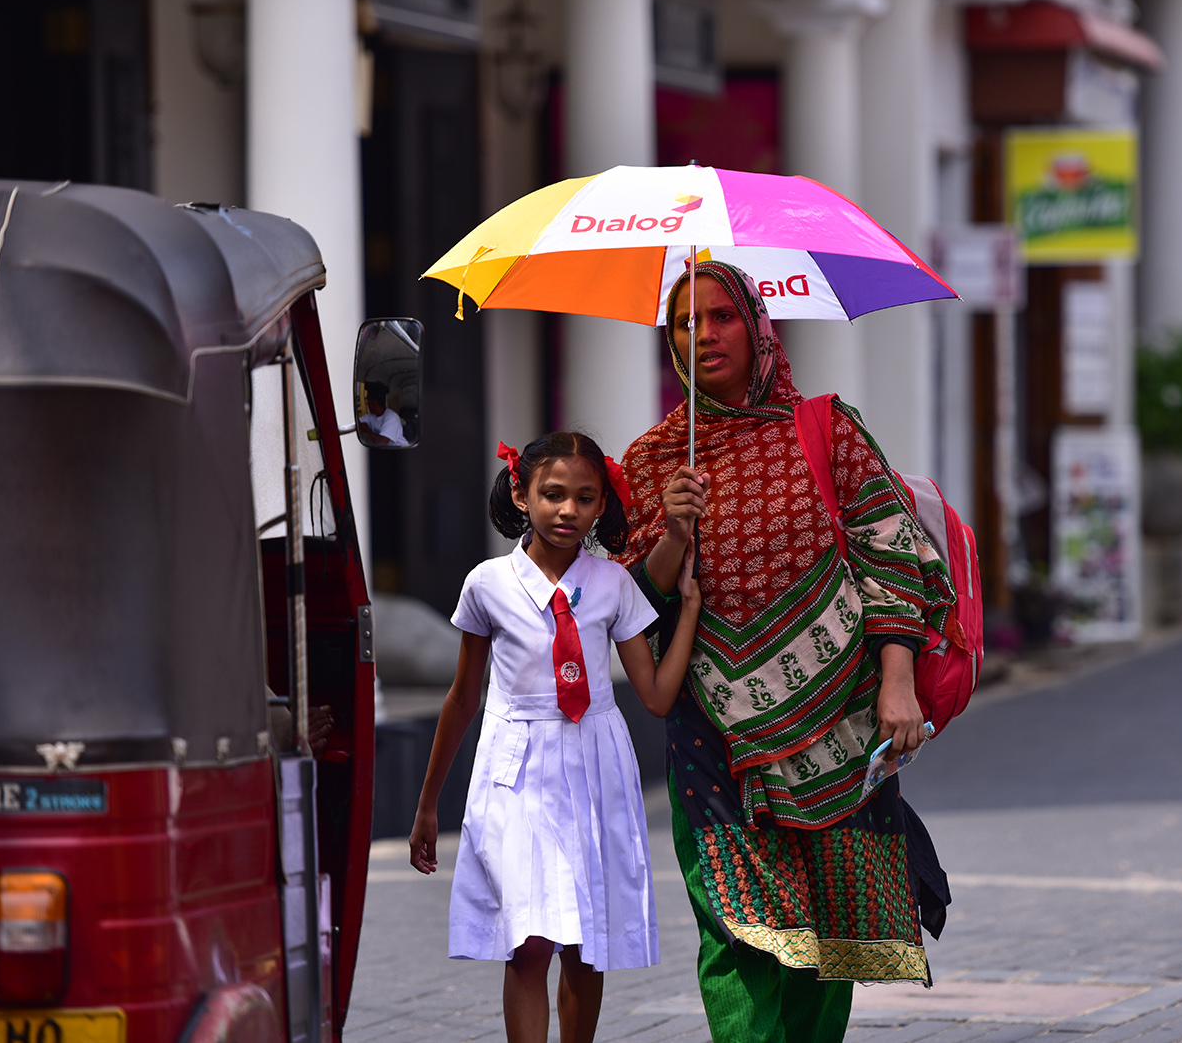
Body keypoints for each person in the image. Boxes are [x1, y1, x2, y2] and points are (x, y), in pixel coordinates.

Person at [617, 261, 955, 1042]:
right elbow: (640, 601)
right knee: (739, 932)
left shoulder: (828, 428)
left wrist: (897, 685)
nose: (702, 336)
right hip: (715, 734)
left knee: (829, 935)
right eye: (684, 323)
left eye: (720, 317)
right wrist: (672, 532)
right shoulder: (653, 460)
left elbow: (891, 555)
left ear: (758, 325)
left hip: (841, 726)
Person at [407, 432, 702, 1043]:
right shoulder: (486, 584)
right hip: (515, 769)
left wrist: (690, 610)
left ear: (601, 506)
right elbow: (463, 697)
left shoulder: (615, 584)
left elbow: (654, 696)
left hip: (596, 766)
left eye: (585, 498)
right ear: (521, 494)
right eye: (553, 494)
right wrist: (428, 803)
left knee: (584, 941)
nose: (568, 510)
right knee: (529, 942)